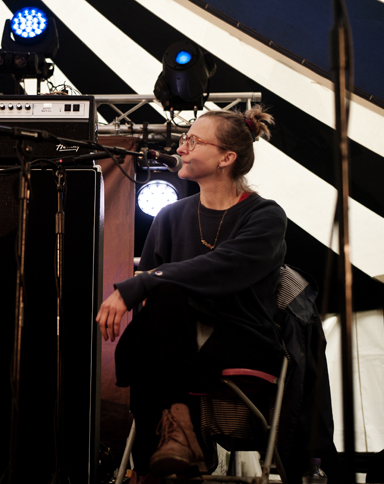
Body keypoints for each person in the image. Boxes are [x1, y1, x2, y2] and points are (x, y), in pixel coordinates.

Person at [96, 106, 287, 482]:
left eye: (193, 141)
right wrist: (147, 286)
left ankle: (157, 462)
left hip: (238, 336)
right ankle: (178, 432)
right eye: (184, 139)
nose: (181, 148)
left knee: (163, 299)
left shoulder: (265, 216)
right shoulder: (169, 216)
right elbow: (153, 298)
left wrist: (141, 283)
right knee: (161, 309)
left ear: (226, 158)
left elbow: (224, 266)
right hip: (175, 343)